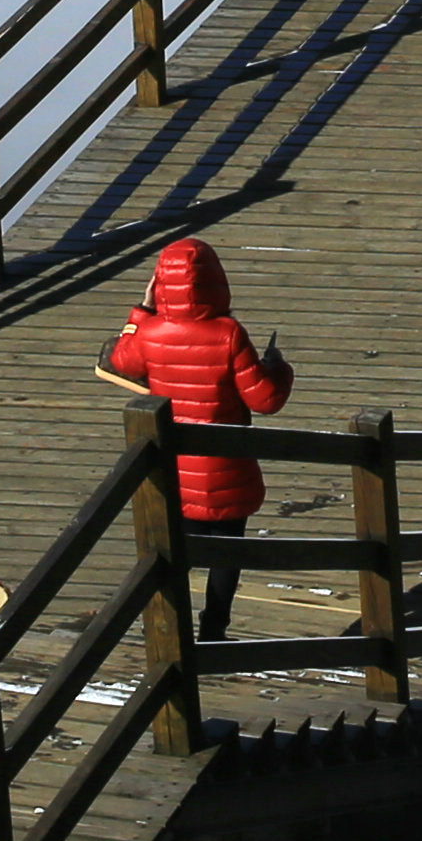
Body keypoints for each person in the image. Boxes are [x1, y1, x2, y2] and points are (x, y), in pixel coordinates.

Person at [93, 237, 293, 638]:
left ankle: (170, 627)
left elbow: (119, 359)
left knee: (174, 550)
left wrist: (143, 309)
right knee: (226, 555)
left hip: (173, 467)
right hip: (226, 468)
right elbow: (265, 400)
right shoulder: (229, 334)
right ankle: (213, 629)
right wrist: (278, 367)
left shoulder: (150, 333)